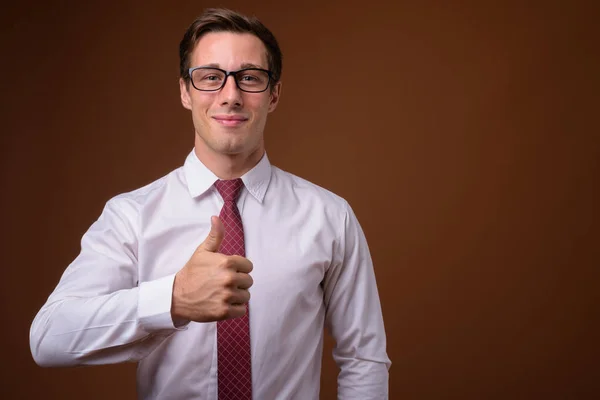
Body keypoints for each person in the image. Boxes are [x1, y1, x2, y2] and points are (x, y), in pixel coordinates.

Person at [29, 7, 391, 400]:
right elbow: (49, 338)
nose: (231, 95)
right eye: (210, 78)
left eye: (249, 78)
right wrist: (172, 299)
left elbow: (363, 359)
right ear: (185, 91)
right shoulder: (131, 216)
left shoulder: (330, 216)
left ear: (274, 94)